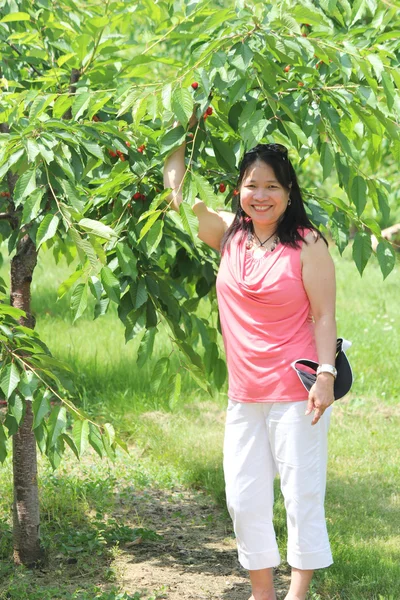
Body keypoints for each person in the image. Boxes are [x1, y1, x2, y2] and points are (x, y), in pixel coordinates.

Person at [163, 122, 336, 600]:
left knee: (301, 497)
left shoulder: (308, 243)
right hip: (244, 396)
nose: (261, 196)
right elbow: (176, 197)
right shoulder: (229, 235)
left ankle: (297, 595)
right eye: (252, 186)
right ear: (239, 189)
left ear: (288, 192)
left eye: (272, 187)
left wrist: (325, 376)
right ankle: (263, 594)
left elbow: (324, 316)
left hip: (296, 394)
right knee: (244, 499)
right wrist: (178, 133)